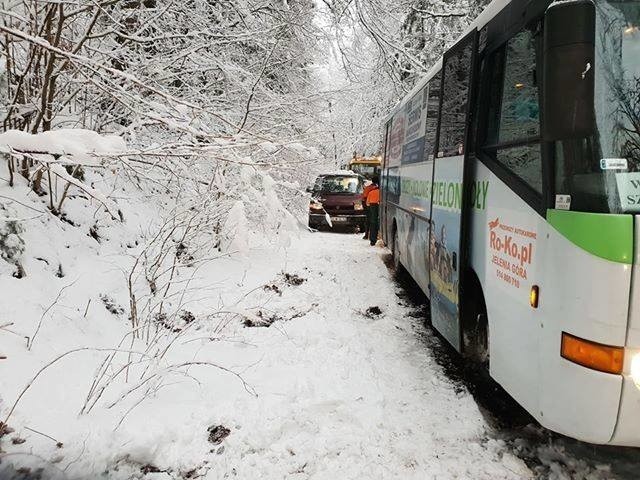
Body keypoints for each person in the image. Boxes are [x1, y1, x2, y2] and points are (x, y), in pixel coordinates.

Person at [366, 175, 381, 246]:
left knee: (373, 223)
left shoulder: (371, 192)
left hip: (372, 206)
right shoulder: (382, 193)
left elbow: (367, 203)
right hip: (380, 206)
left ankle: (372, 240)